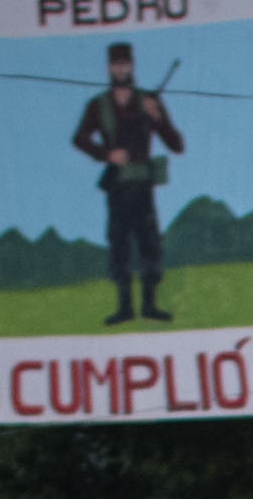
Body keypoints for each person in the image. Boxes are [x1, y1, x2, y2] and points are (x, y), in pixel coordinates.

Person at [76, 40, 186, 327]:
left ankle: (150, 305)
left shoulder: (149, 100)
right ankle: (125, 307)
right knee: (119, 243)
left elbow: (176, 145)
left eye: (125, 63)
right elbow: (79, 138)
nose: (121, 69)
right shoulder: (98, 105)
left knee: (149, 242)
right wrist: (107, 154)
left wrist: (157, 117)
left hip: (143, 184)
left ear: (132, 65)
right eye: (116, 64)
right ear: (109, 67)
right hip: (117, 185)